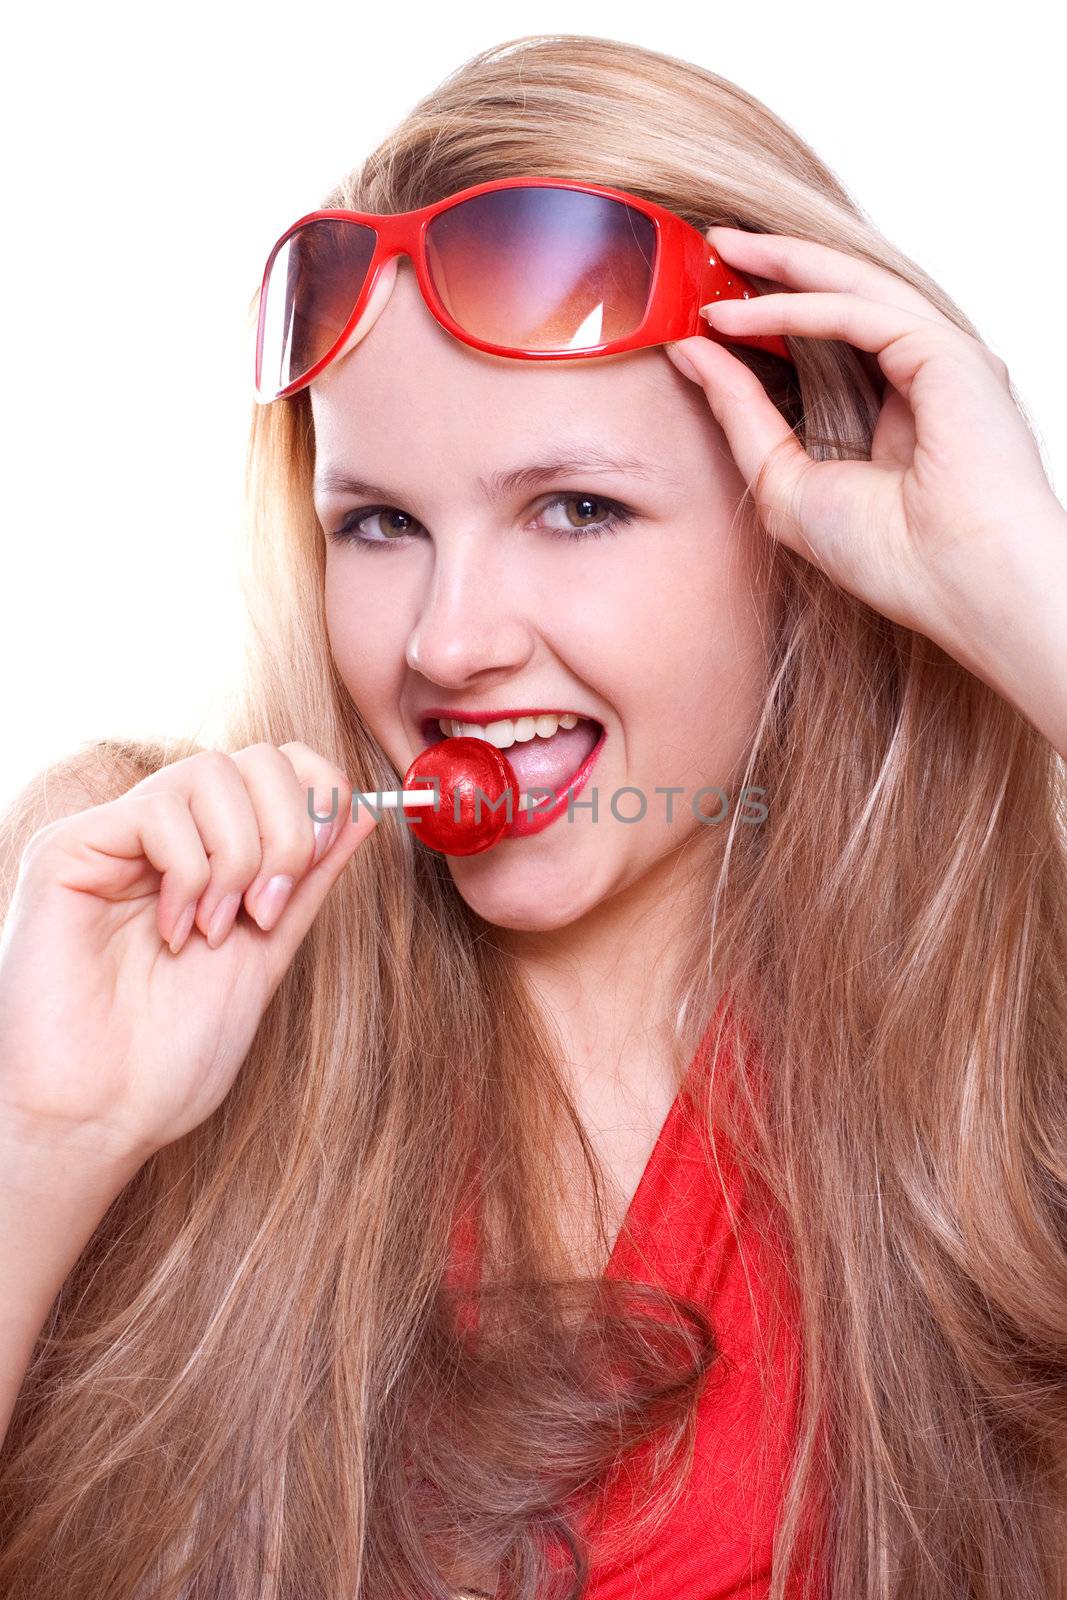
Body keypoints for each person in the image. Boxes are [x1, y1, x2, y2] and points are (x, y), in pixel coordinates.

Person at [1, 30, 1066, 1600]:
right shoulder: (121, 931)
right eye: (376, 524)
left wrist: (1038, 602)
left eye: (575, 508)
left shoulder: (1017, 1054)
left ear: (807, 528)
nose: (445, 641)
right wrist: (42, 1145)